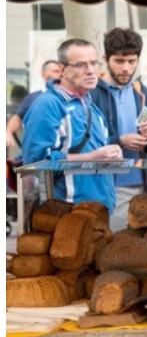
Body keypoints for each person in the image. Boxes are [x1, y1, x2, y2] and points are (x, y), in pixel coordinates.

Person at [21, 39, 120, 213]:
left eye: (93, 63)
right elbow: (35, 163)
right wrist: (90, 157)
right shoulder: (48, 105)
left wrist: (112, 154)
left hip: (99, 211)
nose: (90, 71)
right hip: (68, 215)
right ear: (62, 70)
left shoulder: (90, 105)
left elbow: (96, 155)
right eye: (80, 65)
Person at [92, 28, 147, 231]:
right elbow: (88, 143)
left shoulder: (143, 93)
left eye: (132, 61)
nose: (126, 68)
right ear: (106, 59)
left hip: (142, 182)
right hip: (107, 184)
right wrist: (120, 140)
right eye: (119, 61)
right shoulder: (93, 93)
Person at [6, 60, 62, 151]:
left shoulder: (70, 97)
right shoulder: (34, 97)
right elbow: (18, 118)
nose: (60, 74)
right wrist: (8, 132)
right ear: (44, 75)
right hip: (41, 152)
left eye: (61, 71)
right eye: (56, 71)